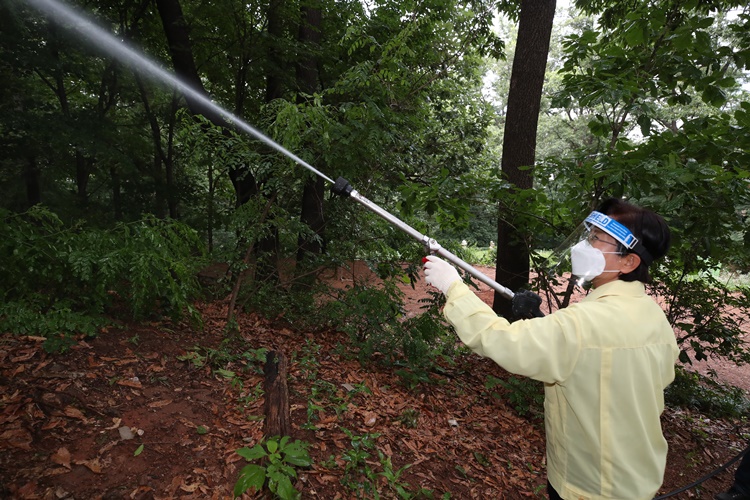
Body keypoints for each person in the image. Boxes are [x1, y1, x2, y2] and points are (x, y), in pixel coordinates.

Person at [423, 198, 678, 500]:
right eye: (589, 234)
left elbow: (501, 341)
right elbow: (620, 374)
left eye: (597, 239)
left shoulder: (584, 323)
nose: (585, 245)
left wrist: (453, 287)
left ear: (628, 262)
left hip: (590, 486)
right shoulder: (653, 317)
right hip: (637, 478)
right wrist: (543, 325)